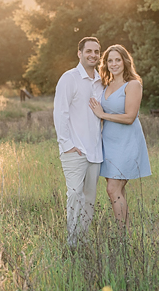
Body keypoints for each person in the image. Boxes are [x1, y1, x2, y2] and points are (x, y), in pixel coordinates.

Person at [89, 44, 151, 227]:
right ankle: (124, 230)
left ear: (125, 61)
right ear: (105, 64)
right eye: (110, 60)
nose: (114, 64)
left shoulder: (132, 84)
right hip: (109, 143)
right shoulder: (105, 84)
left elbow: (130, 117)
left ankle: (119, 234)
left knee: (112, 188)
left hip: (127, 142)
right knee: (117, 189)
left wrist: (102, 115)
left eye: (117, 60)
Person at [53, 36, 104, 247]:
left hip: (95, 151)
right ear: (79, 53)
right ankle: (71, 244)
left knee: (89, 200)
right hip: (74, 150)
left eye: (96, 52)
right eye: (89, 51)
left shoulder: (101, 81)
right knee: (75, 195)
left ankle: (83, 243)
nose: (93, 55)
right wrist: (67, 145)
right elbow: (60, 112)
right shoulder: (69, 78)